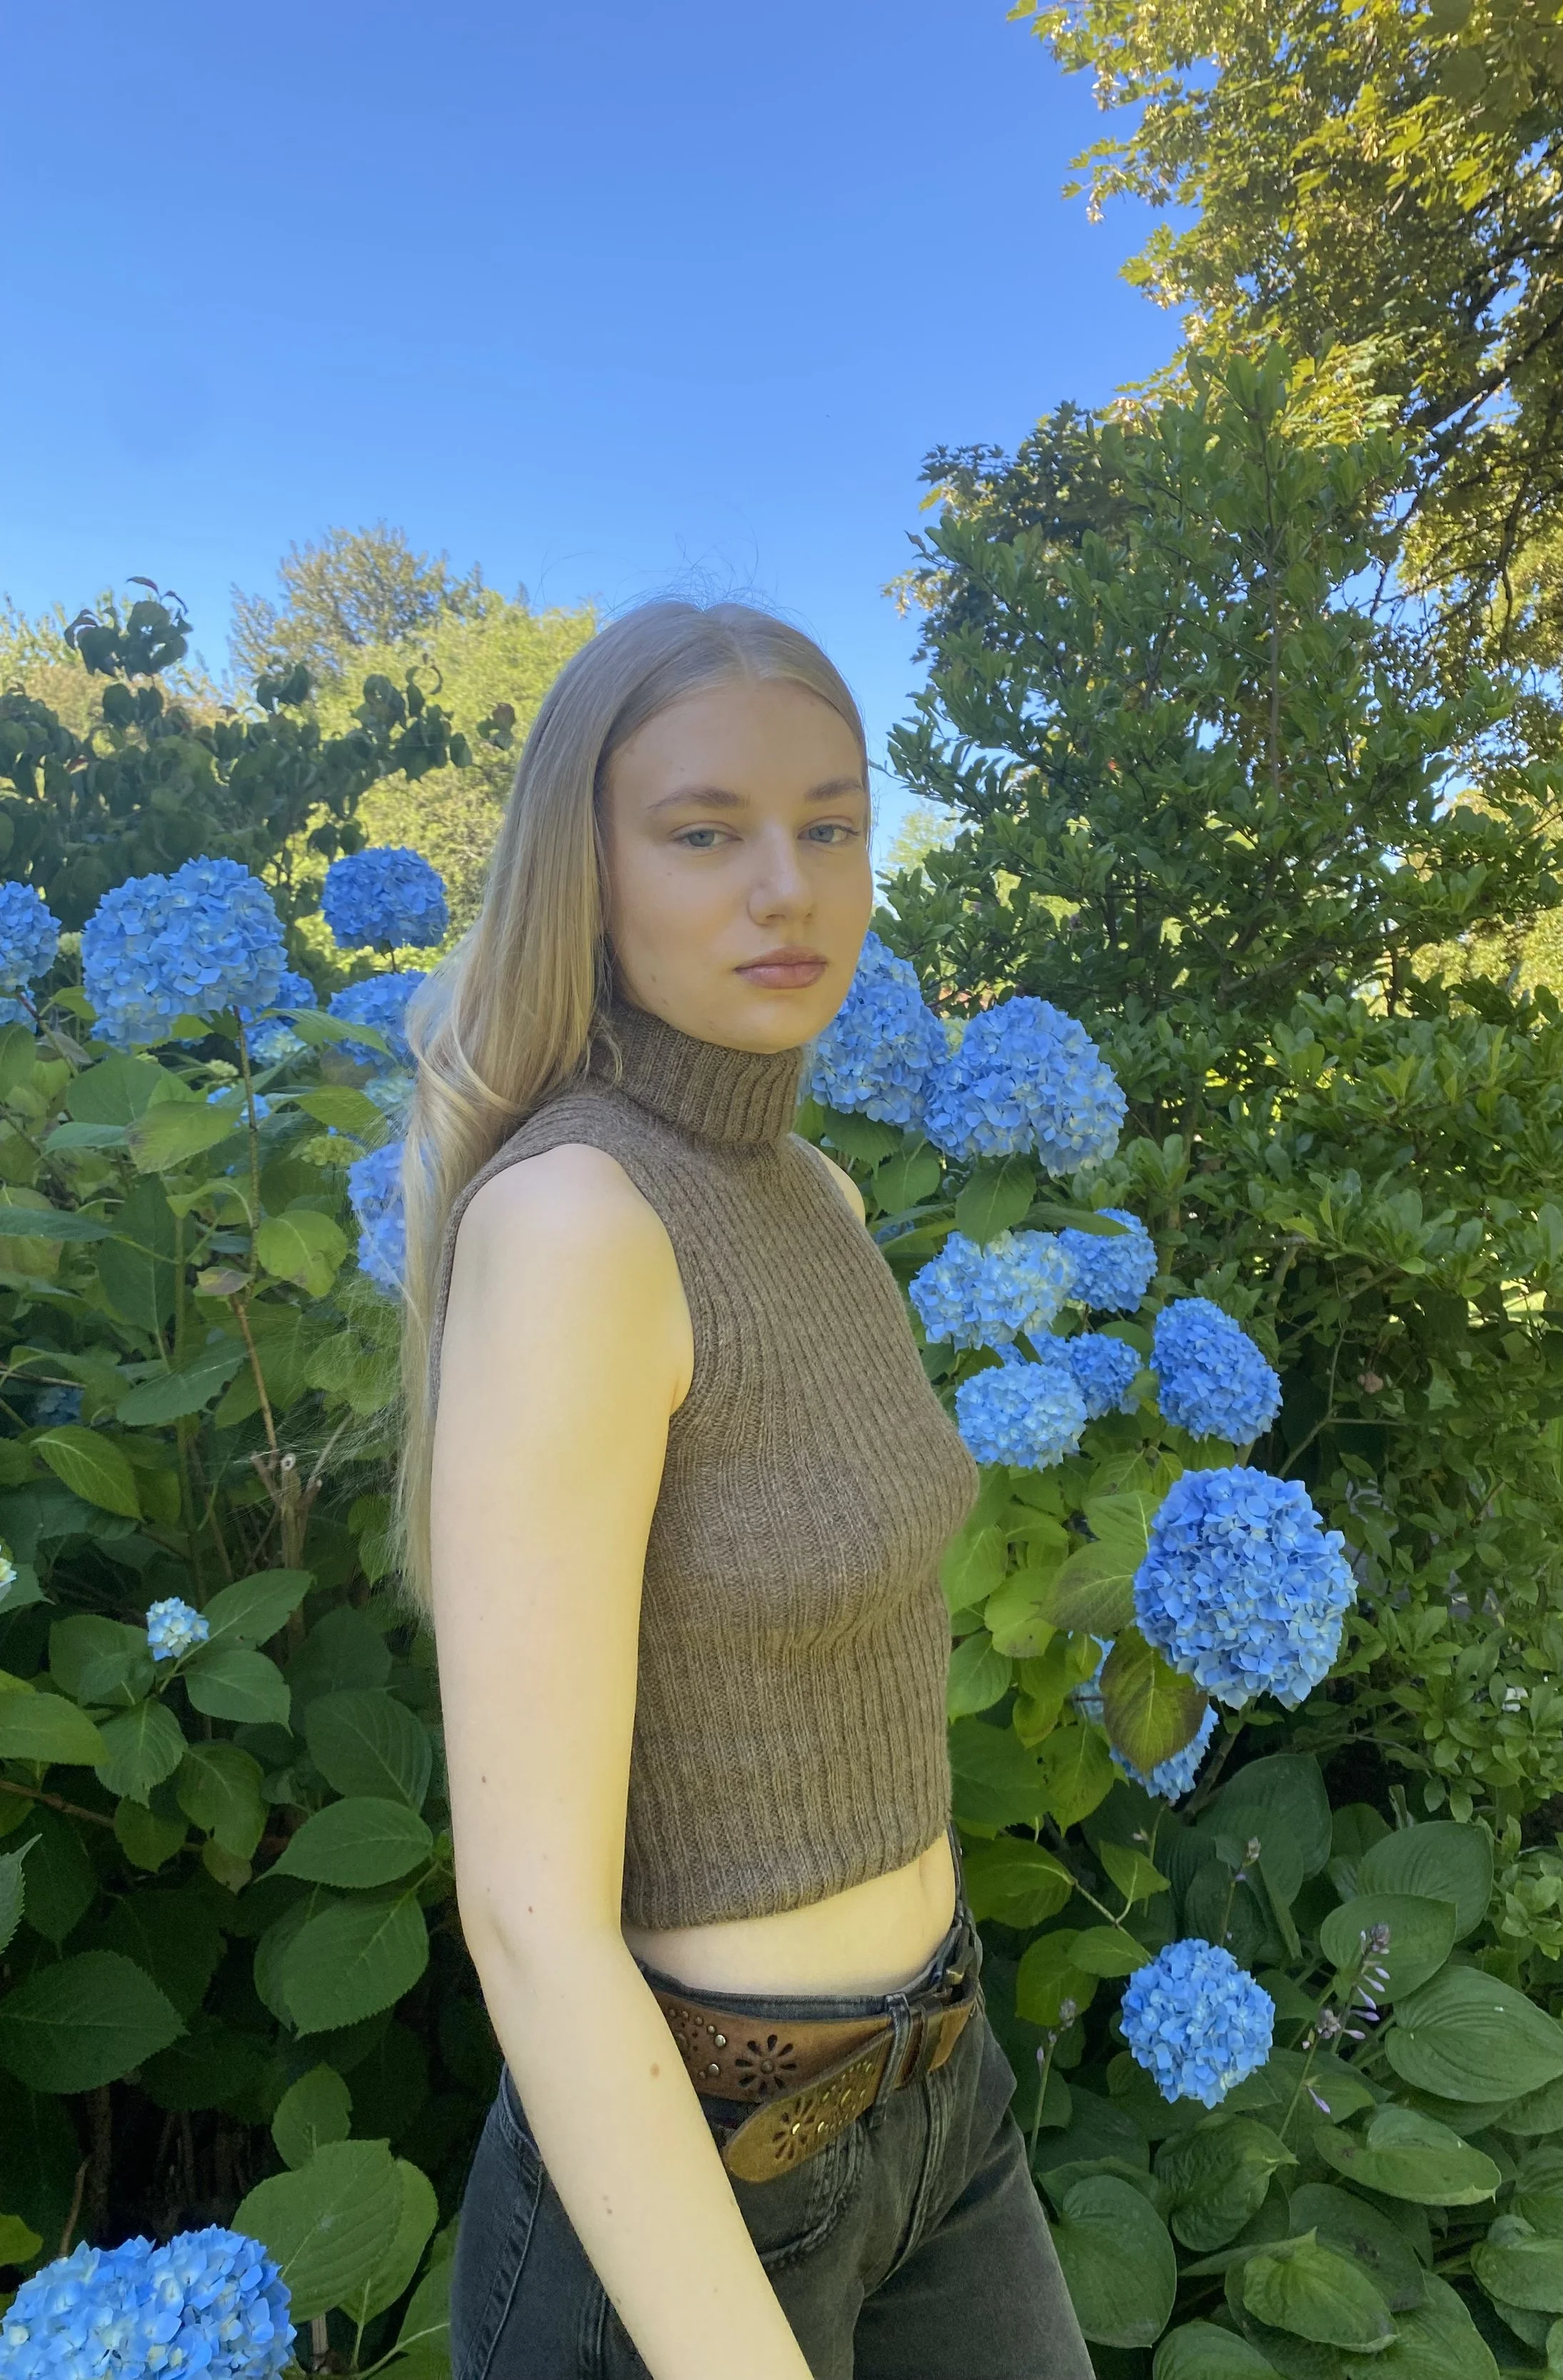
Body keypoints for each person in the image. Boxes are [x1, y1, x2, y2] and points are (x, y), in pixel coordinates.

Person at [402, 601, 1095, 2380]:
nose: (786, 883)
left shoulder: (820, 1202)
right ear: (591, 869)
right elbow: (531, 1921)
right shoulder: (575, 1225)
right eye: (704, 831)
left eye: (832, 822)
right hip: (691, 2176)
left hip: (943, 2107)